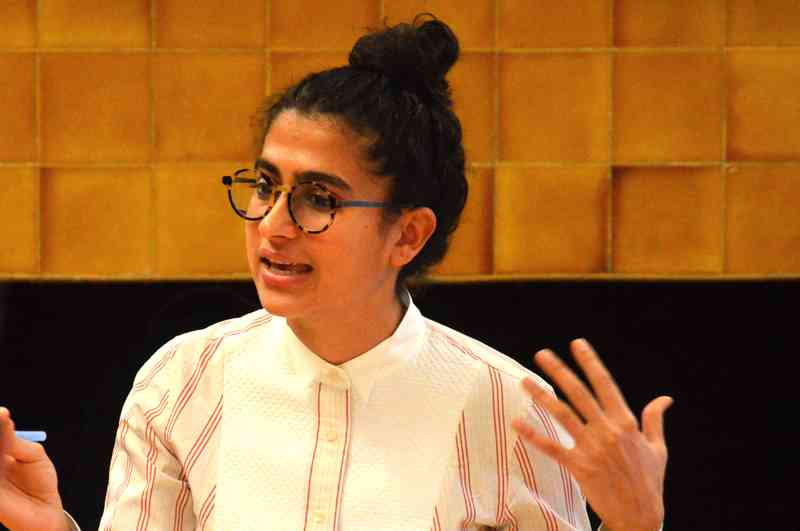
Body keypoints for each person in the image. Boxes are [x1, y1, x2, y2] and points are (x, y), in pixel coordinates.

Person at [0, 15, 671, 531]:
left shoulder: (509, 408)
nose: (274, 224)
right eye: (267, 185)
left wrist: (636, 523)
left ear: (407, 234)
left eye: (319, 198)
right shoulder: (181, 381)